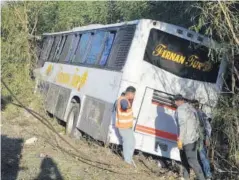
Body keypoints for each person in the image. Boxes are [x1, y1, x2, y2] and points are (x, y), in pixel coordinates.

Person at [174, 94, 205, 180]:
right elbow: (197, 123)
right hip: (193, 139)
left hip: (186, 140)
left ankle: (201, 178)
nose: (175, 103)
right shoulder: (191, 108)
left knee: (192, 162)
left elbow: (182, 125)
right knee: (184, 160)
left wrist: (180, 139)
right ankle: (185, 177)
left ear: (177, 101)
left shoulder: (180, 110)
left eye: (175, 102)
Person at [191, 99, 212, 180]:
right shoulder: (194, 114)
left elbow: (208, 127)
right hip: (196, 139)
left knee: (203, 157)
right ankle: (202, 176)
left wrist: (207, 138)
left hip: (201, 140)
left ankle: (208, 175)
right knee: (198, 158)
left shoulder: (201, 114)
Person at [115, 86, 136, 165]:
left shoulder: (123, 99)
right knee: (128, 143)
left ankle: (129, 159)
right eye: (133, 94)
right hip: (124, 126)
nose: (134, 96)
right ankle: (127, 161)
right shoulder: (124, 100)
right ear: (130, 93)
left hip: (126, 126)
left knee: (132, 142)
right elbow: (124, 106)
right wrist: (127, 106)